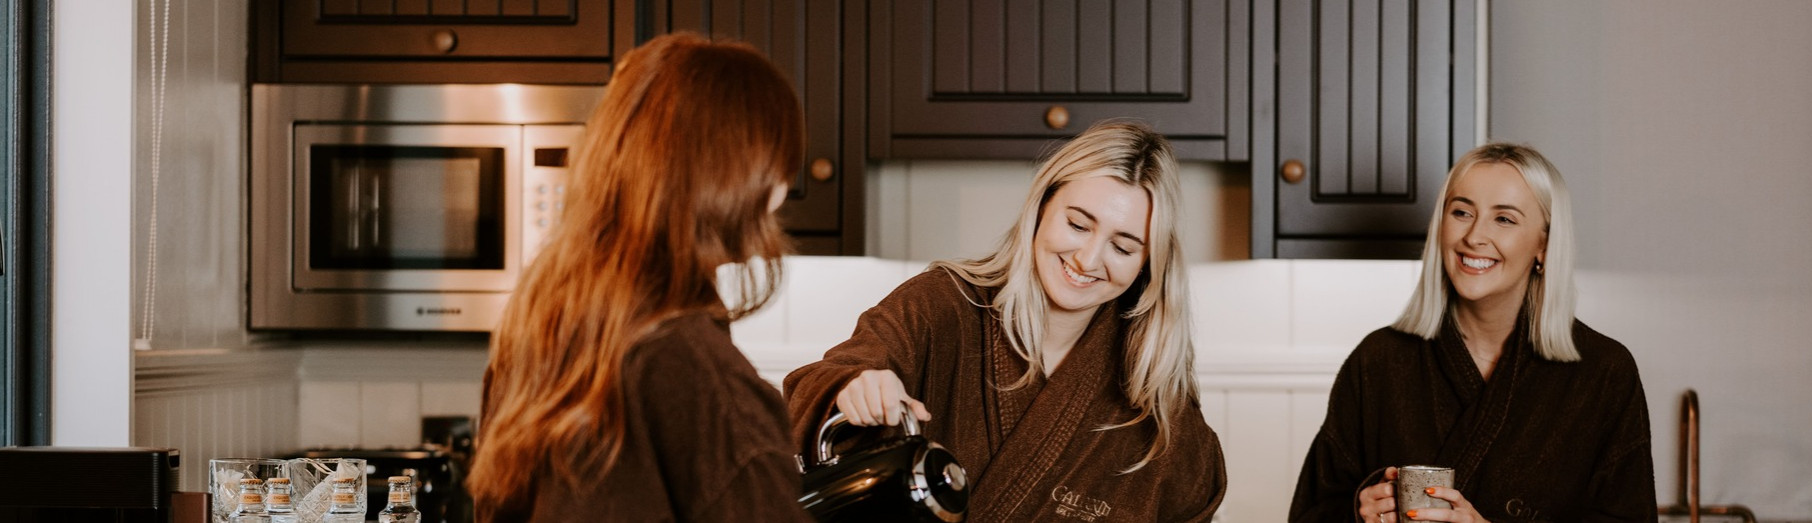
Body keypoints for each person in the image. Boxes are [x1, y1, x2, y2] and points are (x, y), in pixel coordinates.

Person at [783, 120, 1227, 522]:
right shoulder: (939, 305)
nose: (1088, 259)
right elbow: (818, 388)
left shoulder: (1155, 396)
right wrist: (850, 388)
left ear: (1148, 264)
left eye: (1124, 247)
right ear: (1041, 208)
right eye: (1077, 224)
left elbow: (1191, 499)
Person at [467, 33, 810, 522]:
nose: (781, 194)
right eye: (779, 168)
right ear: (737, 177)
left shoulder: (543, 331)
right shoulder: (697, 370)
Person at [1289, 143, 1656, 522]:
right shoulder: (1378, 360)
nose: (1475, 236)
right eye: (1462, 212)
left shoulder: (1604, 372)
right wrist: (1357, 513)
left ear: (1544, 245)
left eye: (1505, 219)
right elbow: (1310, 513)